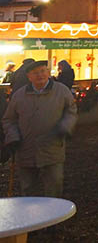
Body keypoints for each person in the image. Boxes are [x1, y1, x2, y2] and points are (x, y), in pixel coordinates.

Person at [2, 60, 77, 197]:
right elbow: (9, 119)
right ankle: (32, 217)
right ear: (29, 77)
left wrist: (65, 127)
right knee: (28, 189)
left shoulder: (61, 91)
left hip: (52, 148)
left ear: (48, 73)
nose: (40, 75)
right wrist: (13, 137)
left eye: (42, 71)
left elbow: (71, 112)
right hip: (25, 149)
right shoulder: (19, 95)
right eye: (35, 73)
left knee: (54, 187)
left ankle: (54, 217)